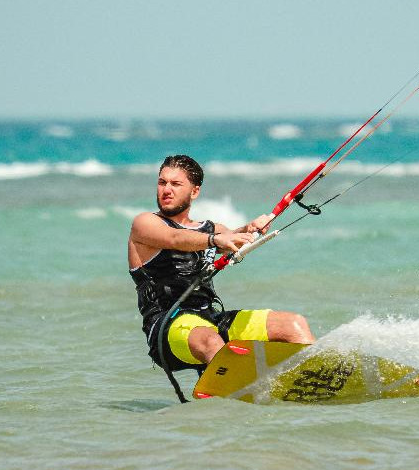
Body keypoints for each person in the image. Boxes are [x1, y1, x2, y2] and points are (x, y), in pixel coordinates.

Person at [128, 154, 314, 383]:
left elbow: (233, 238)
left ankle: (314, 380)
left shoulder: (210, 229)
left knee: (293, 324)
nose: (166, 189)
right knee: (212, 341)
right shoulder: (145, 224)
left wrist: (251, 228)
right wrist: (215, 240)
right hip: (167, 326)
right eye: (162, 182)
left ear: (194, 191)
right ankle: (239, 388)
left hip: (210, 318)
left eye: (175, 184)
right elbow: (175, 238)